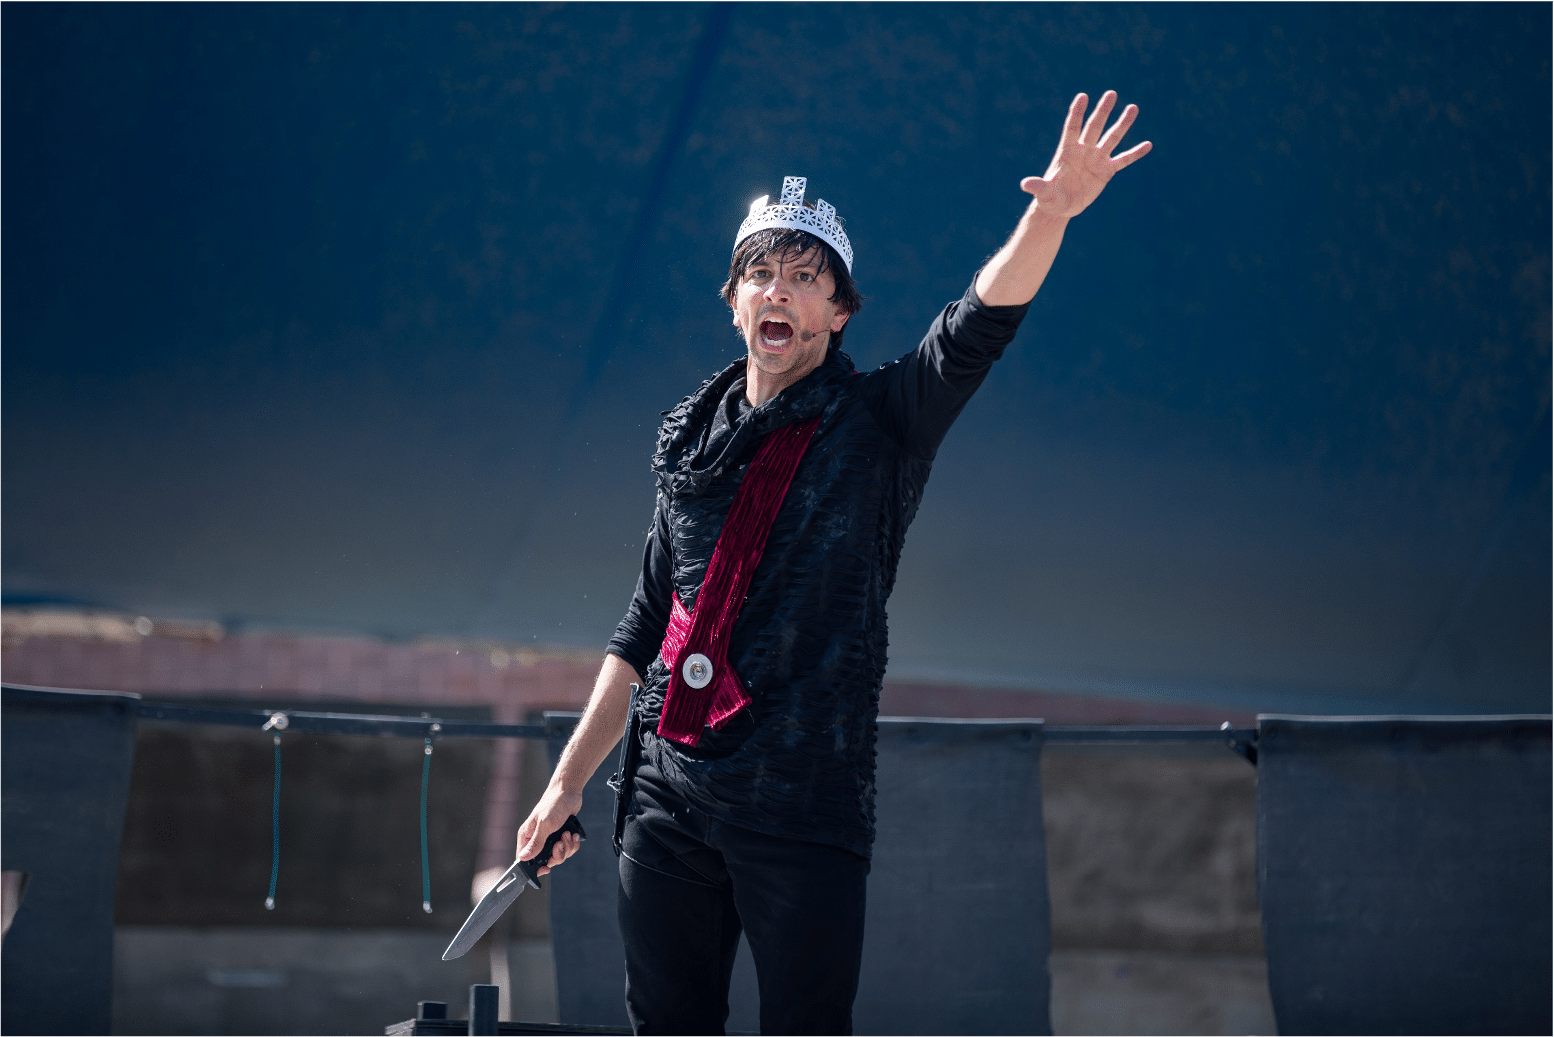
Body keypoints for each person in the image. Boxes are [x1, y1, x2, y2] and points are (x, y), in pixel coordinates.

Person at [515, 90, 1151, 1036]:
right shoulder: (688, 446)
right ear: (733, 303)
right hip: (668, 791)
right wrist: (567, 782)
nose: (781, 290)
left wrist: (1049, 212)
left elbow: (976, 326)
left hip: (800, 805)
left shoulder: (882, 422)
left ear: (841, 312)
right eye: (762, 273)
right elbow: (645, 622)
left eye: (807, 277)